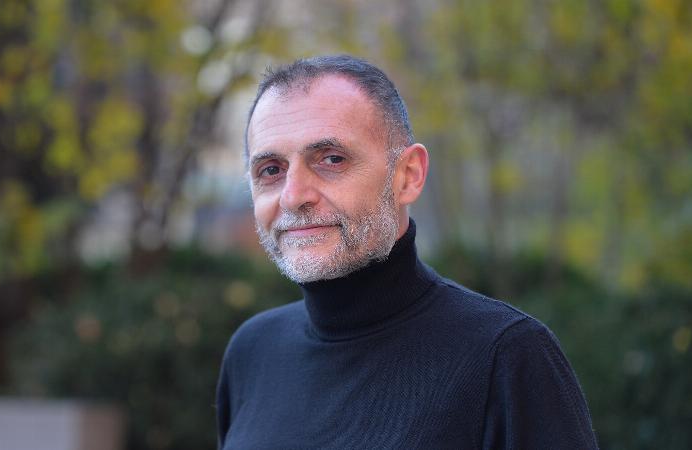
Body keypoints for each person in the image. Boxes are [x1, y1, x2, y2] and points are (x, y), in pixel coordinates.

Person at [216, 55, 599, 449]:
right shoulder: (253, 352)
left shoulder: (506, 356)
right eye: (271, 170)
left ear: (408, 176)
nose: (294, 196)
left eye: (332, 159)